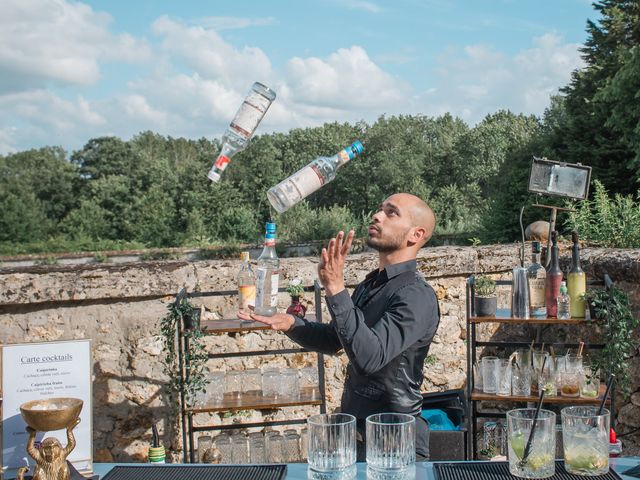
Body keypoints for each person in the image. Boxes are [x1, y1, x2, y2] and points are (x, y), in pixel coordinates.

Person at [238, 193, 440, 460]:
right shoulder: (372, 285)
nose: (377, 216)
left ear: (416, 234)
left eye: (391, 212)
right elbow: (337, 338)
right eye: (380, 209)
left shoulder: (416, 295)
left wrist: (335, 288)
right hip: (356, 435)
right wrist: (291, 324)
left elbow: (370, 358)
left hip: (396, 442)